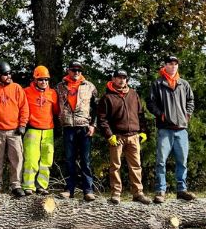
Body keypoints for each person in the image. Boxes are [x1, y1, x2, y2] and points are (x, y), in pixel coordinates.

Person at [97, 69, 151, 204]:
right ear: (113, 79)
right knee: (115, 166)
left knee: (136, 166)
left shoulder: (133, 94)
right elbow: (102, 120)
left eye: (124, 78)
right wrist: (109, 135)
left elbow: (140, 114)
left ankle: (138, 193)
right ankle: (116, 194)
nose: (122, 80)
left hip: (134, 136)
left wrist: (143, 131)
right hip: (117, 137)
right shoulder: (107, 97)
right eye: (119, 77)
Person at [147, 54, 196, 203]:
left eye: (175, 64)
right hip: (165, 129)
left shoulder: (184, 84)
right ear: (165, 65)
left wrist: (187, 114)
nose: (173, 66)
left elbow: (191, 100)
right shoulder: (157, 83)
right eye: (170, 63)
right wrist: (160, 115)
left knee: (182, 161)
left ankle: (181, 190)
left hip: (181, 129)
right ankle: (160, 191)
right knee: (161, 161)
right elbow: (150, 103)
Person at [56, 61, 99, 201]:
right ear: (68, 70)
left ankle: (88, 190)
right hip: (68, 127)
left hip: (84, 126)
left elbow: (97, 108)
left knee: (85, 160)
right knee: (69, 160)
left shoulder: (90, 86)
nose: (77, 73)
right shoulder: (60, 86)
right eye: (74, 70)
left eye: (79, 70)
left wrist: (94, 125)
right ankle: (69, 189)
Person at [0, 61, 29, 197]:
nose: (9, 76)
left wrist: (22, 125)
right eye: (6, 74)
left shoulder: (17, 88)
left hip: (14, 130)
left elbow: (24, 108)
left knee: (17, 157)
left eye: (10, 73)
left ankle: (15, 185)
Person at [22, 66, 60, 195]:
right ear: (35, 79)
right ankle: (28, 186)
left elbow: (56, 111)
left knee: (46, 161)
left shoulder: (52, 93)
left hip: (48, 130)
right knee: (31, 159)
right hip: (32, 130)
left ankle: (42, 186)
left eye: (46, 79)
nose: (43, 82)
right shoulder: (26, 92)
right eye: (40, 79)